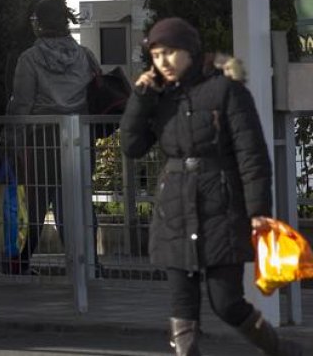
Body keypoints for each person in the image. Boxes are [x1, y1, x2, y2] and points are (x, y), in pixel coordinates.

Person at [121, 18, 301, 356]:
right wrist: (140, 98)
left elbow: (252, 155)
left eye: (169, 52)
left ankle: (281, 349)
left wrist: (258, 212)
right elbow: (132, 147)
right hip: (174, 210)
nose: (162, 62)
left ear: (189, 51)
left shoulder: (226, 90)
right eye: (156, 55)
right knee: (182, 308)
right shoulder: (158, 97)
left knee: (226, 302)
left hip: (222, 209)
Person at [4, 0, 98, 274]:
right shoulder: (85, 56)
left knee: (34, 205)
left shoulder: (29, 59)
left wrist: (13, 142)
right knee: (79, 201)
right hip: (79, 137)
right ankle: (87, 264)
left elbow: (22, 105)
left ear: (39, 24)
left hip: (42, 140)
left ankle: (19, 264)